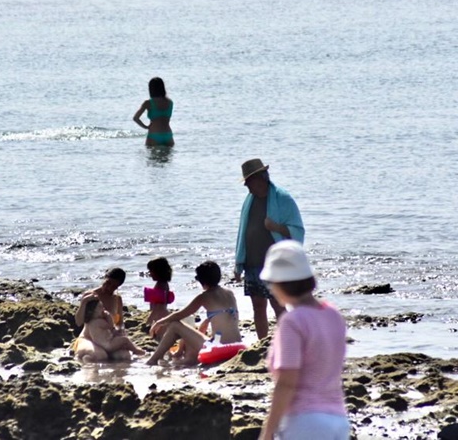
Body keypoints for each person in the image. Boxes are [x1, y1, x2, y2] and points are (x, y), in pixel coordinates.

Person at [258, 240, 349, 440]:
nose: (270, 289)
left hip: (305, 421)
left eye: (270, 283)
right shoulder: (333, 314)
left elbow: (287, 382)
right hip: (339, 420)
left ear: (280, 283)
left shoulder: (292, 321)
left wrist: (268, 431)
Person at [235, 158, 305, 340]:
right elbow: (242, 232)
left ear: (261, 178)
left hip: (275, 265)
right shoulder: (249, 200)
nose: (247, 186)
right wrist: (239, 263)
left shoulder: (282, 199)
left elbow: (298, 231)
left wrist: (276, 227)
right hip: (252, 262)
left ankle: (288, 341)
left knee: (278, 305)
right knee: (258, 307)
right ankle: (262, 344)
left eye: (249, 182)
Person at [146, 261, 241, 366]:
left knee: (174, 326)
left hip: (220, 347)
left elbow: (180, 314)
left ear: (202, 280)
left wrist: (159, 322)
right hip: (238, 345)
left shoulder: (205, 296)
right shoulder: (229, 293)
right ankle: (186, 358)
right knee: (194, 333)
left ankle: (153, 360)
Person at [73, 267, 128, 362]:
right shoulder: (91, 295)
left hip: (108, 339)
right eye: (108, 283)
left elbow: (119, 322)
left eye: (114, 286)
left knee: (124, 356)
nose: (109, 288)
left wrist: (119, 330)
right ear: (104, 278)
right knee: (100, 356)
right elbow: (78, 322)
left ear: (118, 286)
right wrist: (84, 302)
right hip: (88, 338)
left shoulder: (117, 299)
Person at [133, 77, 174, 147]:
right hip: (168, 134)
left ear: (151, 89)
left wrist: (146, 127)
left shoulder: (148, 103)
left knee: (151, 153)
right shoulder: (170, 102)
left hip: (154, 134)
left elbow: (135, 118)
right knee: (168, 154)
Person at [144, 257, 174, 339]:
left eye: (151, 271)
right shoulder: (163, 284)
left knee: (159, 337)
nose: (150, 274)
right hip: (161, 315)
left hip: (160, 316)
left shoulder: (161, 286)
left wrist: (149, 320)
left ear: (158, 272)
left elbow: (158, 306)